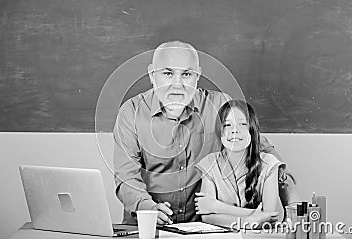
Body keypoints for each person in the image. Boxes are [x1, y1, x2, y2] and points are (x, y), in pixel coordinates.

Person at [113, 40, 299, 225]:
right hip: (147, 227)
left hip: (206, 228)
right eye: (168, 73)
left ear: (197, 76)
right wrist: (148, 208)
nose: (177, 84)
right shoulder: (131, 113)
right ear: (152, 74)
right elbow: (126, 177)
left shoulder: (219, 105)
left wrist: (294, 205)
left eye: (186, 74)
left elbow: (263, 152)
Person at [194, 100, 283, 228]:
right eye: (227, 125)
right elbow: (207, 217)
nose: (235, 130)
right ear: (219, 132)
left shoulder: (268, 164)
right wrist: (249, 221)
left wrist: (216, 206)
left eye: (242, 124)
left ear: (252, 130)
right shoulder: (209, 163)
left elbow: (270, 216)